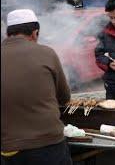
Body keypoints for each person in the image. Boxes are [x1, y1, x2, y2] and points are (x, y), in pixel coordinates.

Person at [1, 9, 72, 164]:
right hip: (48, 145)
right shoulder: (47, 53)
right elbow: (64, 97)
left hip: (8, 148)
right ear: (35, 33)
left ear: (8, 33)